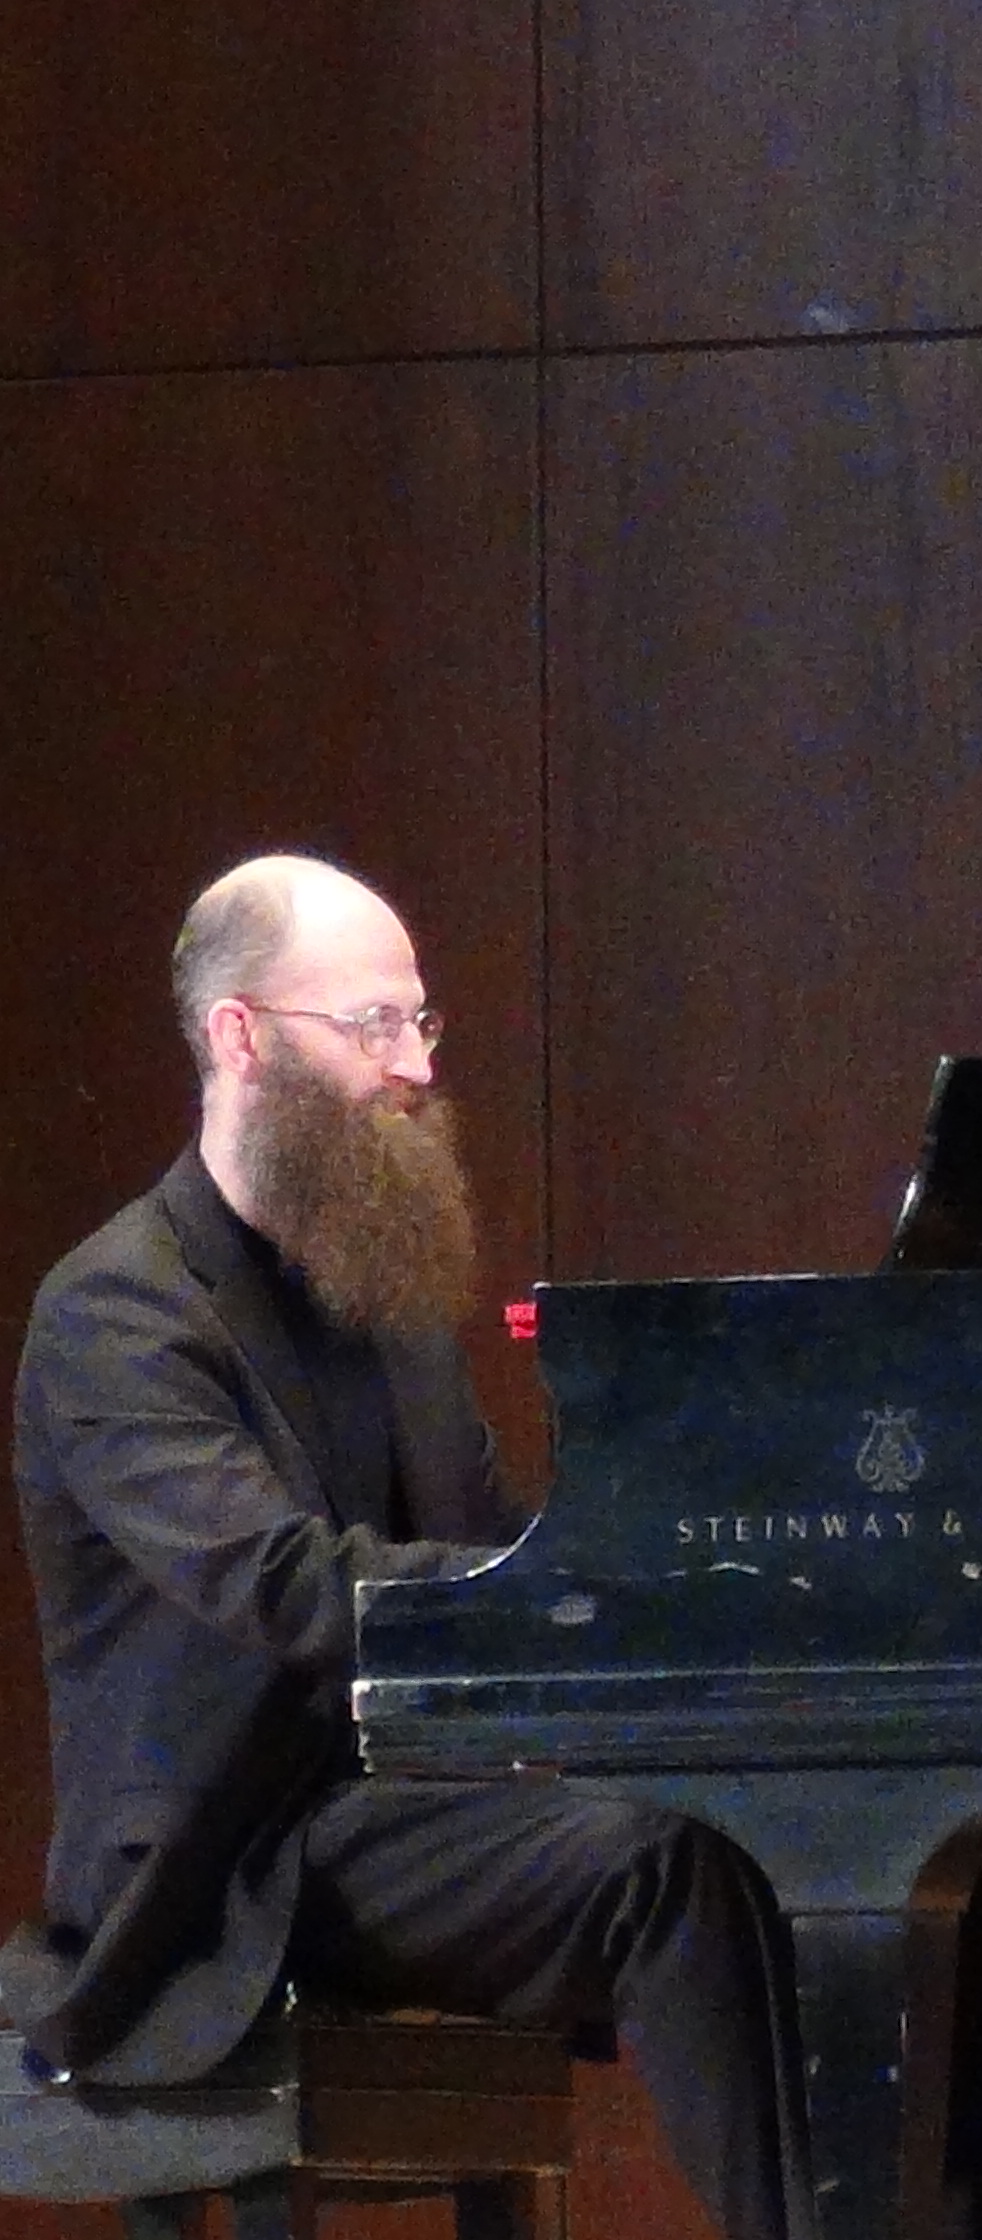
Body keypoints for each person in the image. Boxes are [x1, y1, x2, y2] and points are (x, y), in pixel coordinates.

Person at [5, 854, 807, 2240]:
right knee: (671, 1863)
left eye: (420, 1022)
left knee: (857, 1853)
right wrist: (561, 1592)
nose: (415, 1067)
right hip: (232, 1859)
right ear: (241, 1036)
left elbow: (494, 1540)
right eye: (372, 1024)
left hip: (409, 1811)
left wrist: (677, 1580)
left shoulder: (382, 1296)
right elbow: (283, 1586)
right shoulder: (117, 1312)